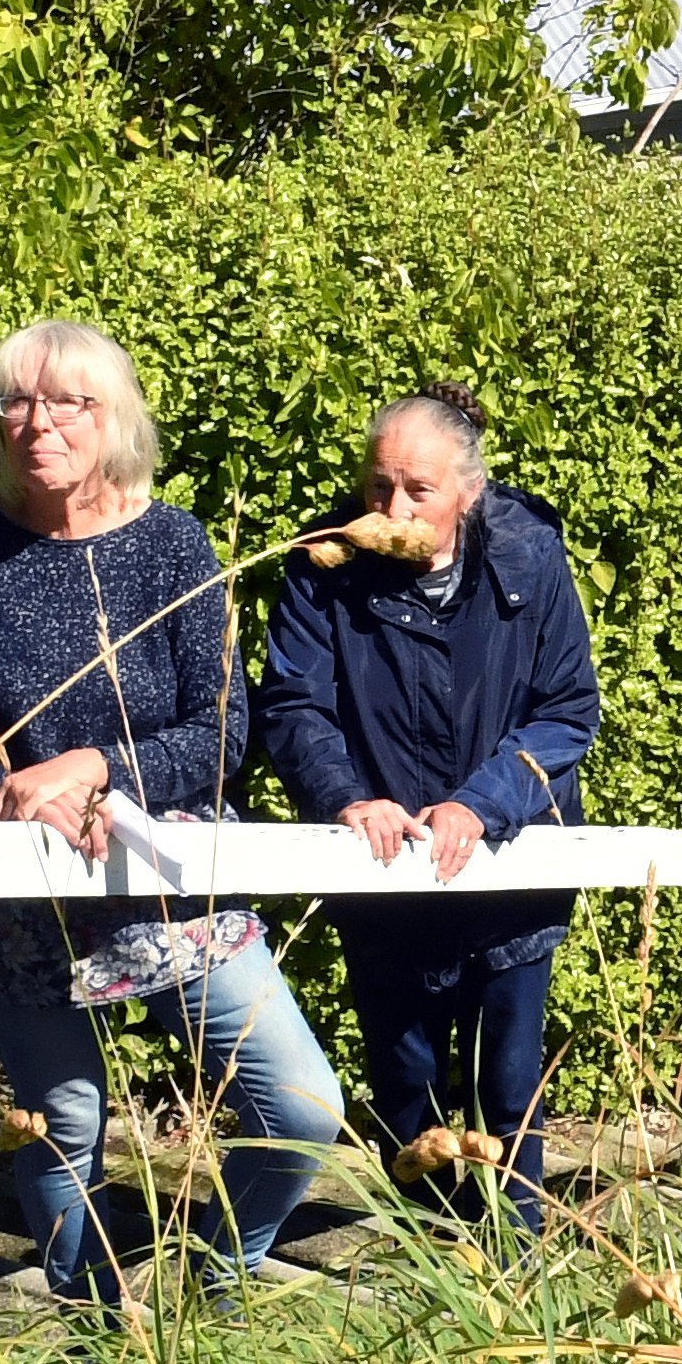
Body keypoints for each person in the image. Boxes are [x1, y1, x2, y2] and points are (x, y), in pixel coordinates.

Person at [0, 318, 345, 1301]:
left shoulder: (172, 542)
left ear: (114, 419)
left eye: (66, 402)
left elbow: (226, 729)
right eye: (15, 398)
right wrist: (5, 793)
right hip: (20, 883)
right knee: (65, 1123)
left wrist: (97, 765)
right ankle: (93, 1331)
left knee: (302, 1102)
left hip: (164, 874)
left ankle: (217, 1282)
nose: (36, 421)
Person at [260, 383, 601, 1232]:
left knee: (508, 1083)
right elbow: (293, 705)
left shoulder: (532, 559)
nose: (394, 508)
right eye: (380, 487)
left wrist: (481, 804)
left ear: (468, 491)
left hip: (510, 868)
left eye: (419, 490)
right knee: (407, 1081)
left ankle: (516, 1260)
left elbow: (566, 710)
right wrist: (344, 797)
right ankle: (430, 1255)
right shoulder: (322, 570)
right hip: (386, 872)